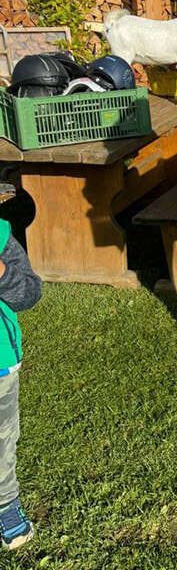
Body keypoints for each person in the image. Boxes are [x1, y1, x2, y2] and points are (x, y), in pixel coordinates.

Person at [0, 217, 42, 550]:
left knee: (1, 439)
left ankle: (5, 503)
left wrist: (1, 274)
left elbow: (29, 293)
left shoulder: (1, 237)